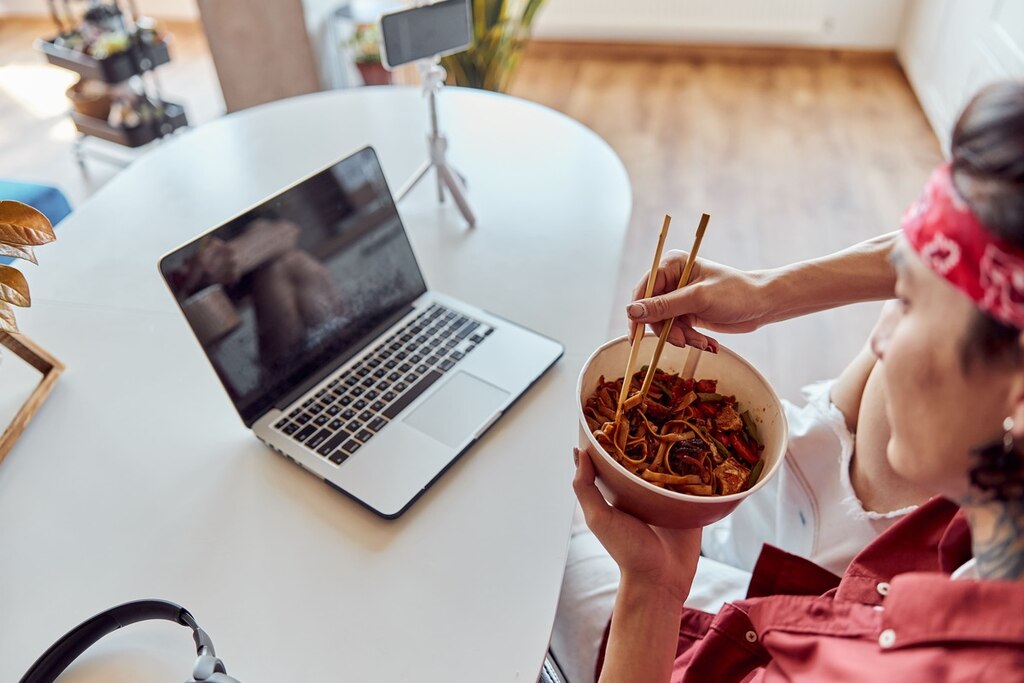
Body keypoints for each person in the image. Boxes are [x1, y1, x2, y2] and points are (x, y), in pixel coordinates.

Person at [565, 80, 1024, 681]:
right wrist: (765, 293)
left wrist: (651, 593)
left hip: (731, 619)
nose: (879, 341)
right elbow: (943, 247)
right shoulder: (979, 541)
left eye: (905, 302)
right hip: (799, 580)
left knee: (558, 568)